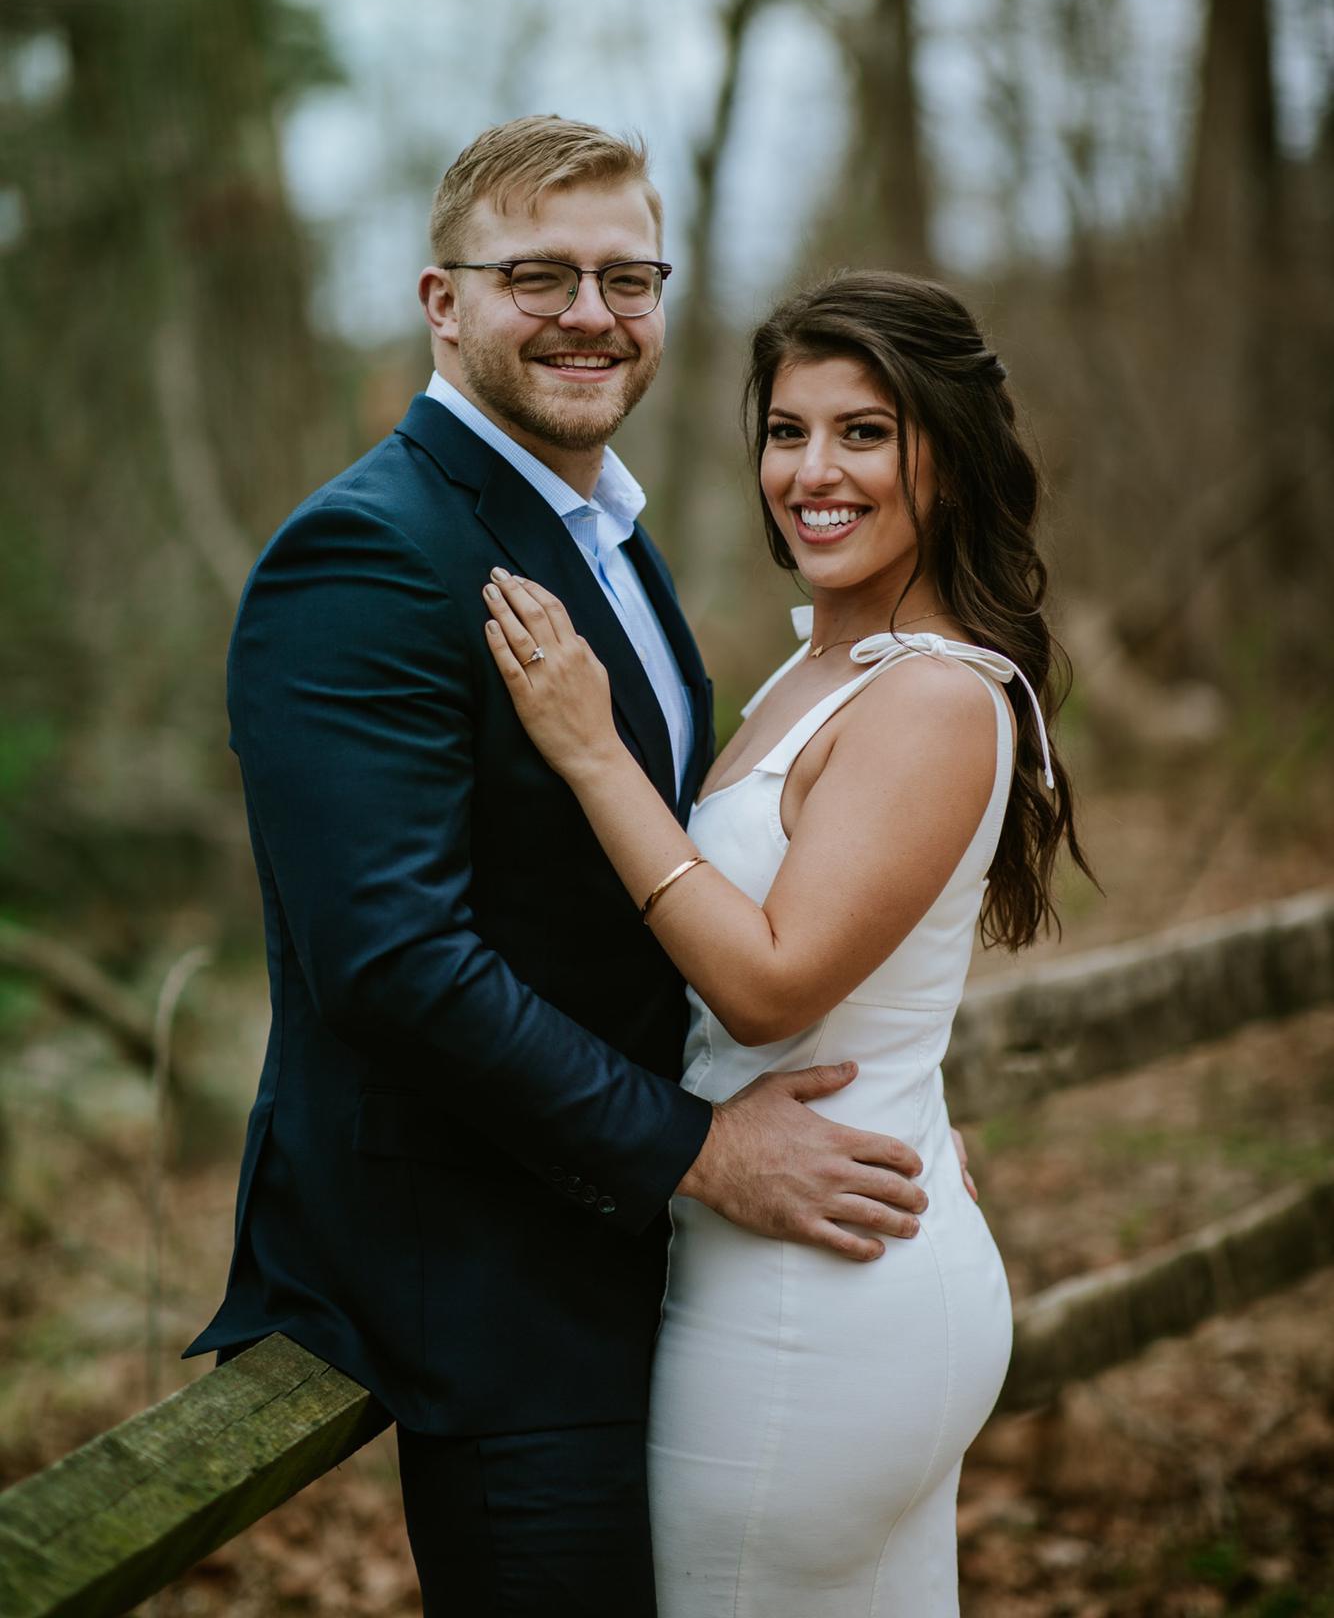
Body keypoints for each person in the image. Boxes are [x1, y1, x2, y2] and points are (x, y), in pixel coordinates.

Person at [185, 119, 947, 1617]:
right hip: (485, 1285)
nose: (590, 314)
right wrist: (698, 1148)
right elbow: (393, 964)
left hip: (637, 1257)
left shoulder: (604, 535)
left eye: (625, 276)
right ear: (440, 300)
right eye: (538, 274)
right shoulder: (366, 556)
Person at [483, 268, 1092, 1616]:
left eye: (863, 432)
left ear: (950, 450)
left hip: (813, 1307)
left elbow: (765, 986)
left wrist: (593, 755)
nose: (812, 471)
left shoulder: (932, 695)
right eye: (785, 430)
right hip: (820, 1252)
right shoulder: (812, 670)